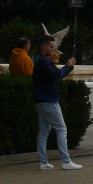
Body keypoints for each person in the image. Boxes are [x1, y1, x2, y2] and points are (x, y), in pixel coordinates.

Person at [33, 35, 81, 171]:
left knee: (43, 131)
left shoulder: (39, 60)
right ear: (44, 46)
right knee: (61, 129)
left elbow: (55, 74)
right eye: (51, 47)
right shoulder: (43, 61)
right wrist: (68, 67)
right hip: (49, 100)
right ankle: (65, 161)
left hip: (41, 101)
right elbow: (56, 75)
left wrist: (67, 68)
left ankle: (43, 162)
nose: (53, 50)